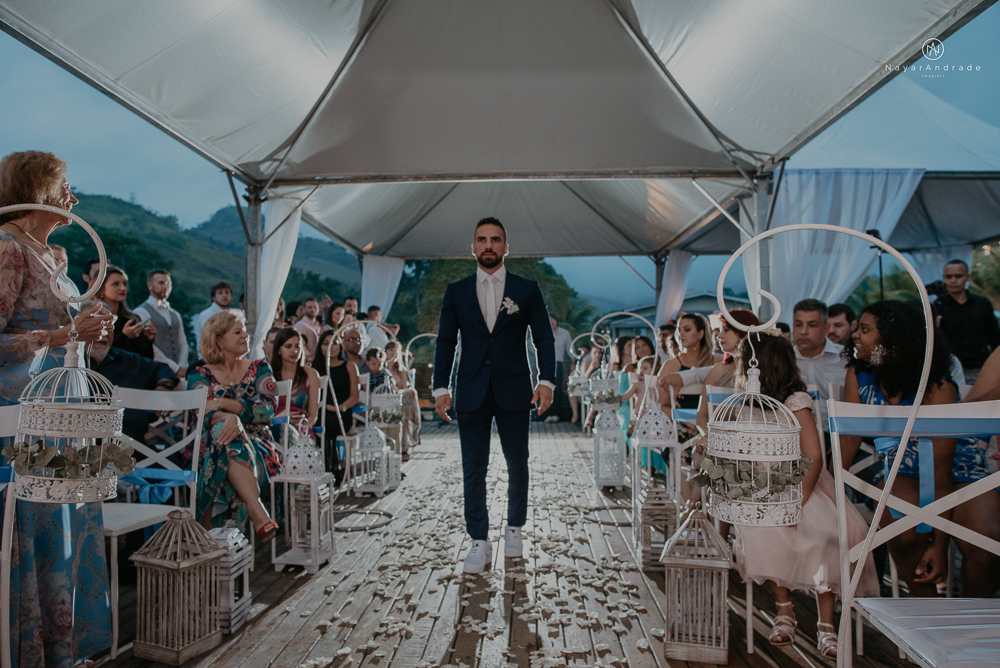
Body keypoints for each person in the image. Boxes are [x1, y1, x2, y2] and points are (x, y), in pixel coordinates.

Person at [0, 150, 116, 666]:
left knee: (67, 515)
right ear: (39, 188)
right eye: (64, 182)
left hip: (62, 409)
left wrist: (92, 327)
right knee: (40, 520)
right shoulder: (6, 248)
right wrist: (67, 330)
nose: (73, 192)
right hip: (22, 412)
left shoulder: (55, 255)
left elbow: (67, 340)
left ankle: (62, 649)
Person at [727, 334, 878, 658]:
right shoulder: (743, 404)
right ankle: (785, 609)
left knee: (825, 535)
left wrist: (797, 501)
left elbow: (813, 456)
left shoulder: (796, 401)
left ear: (761, 366)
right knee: (759, 532)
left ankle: (826, 623)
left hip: (801, 485)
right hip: (764, 490)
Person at [840, 300, 1000, 599]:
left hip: (959, 469)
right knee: (902, 531)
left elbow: (940, 468)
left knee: (985, 543)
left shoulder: (938, 387)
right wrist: (831, 493)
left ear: (892, 339)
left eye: (864, 329)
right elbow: (848, 439)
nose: (855, 336)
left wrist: (938, 545)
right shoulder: (858, 375)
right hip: (901, 467)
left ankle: (973, 622)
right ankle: (928, 612)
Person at [433, 217, 556, 573]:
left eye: (495, 239)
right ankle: (478, 539)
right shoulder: (456, 291)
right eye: (481, 239)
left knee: (518, 463)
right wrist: (441, 387)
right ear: (472, 247)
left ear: (506, 247)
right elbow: (445, 341)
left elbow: (543, 338)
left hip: (515, 388)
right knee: (473, 467)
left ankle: (515, 527)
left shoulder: (527, 288)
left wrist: (546, 380)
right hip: (470, 389)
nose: (488, 245)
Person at [187, 310, 281, 539]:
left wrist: (223, 405)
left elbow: (265, 408)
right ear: (219, 339)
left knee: (223, 441)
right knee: (223, 434)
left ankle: (208, 529)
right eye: (238, 331)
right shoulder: (199, 374)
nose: (245, 336)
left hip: (257, 444)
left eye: (245, 331)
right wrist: (231, 418)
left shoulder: (260, 368)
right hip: (208, 443)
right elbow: (201, 411)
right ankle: (255, 508)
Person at [84, 306, 180, 442]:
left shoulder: (128, 359)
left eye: (109, 327)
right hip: (85, 450)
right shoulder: (70, 363)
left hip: (134, 451)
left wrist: (163, 387)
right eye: (97, 327)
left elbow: (162, 368)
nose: (104, 333)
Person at [936, 259, 1000, 383]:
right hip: (950, 369)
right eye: (949, 276)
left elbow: (995, 338)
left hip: (980, 367)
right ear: (943, 278)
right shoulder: (937, 306)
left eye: (958, 276)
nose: (953, 280)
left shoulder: (982, 304)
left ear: (968, 277)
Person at [791, 299, 845, 434]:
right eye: (798, 325)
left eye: (812, 325)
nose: (803, 332)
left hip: (839, 436)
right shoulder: (783, 359)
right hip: (794, 438)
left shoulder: (845, 359)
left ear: (825, 328)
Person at [313, 331, 359, 474]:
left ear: (341, 346)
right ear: (320, 346)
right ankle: (332, 467)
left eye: (334, 343)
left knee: (329, 420)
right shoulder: (314, 369)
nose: (330, 347)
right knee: (323, 418)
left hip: (342, 413)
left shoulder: (349, 367)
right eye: (326, 343)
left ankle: (330, 467)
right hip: (319, 413)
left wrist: (338, 408)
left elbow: (355, 397)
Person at [133, 269, 189, 377]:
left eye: (168, 283)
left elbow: (183, 343)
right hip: (155, 372)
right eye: (161, 283)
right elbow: (148, 346)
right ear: (149, 285)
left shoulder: (175, 314)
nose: (165, 286)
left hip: (180, 373)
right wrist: (175, 368)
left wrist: (183, 365)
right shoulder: (141, 312)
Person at [271, 327, 321, 446]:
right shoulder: (269, 374)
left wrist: (301, 425)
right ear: (279, 350)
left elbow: (313, 415)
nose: (294, 350)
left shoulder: (311, 374)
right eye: (288, 346)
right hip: (274, 427)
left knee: (294, 440)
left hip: (302, 430)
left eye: (297, 346)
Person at [98, 265, 156, 359]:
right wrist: (125, 337)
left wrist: (148, 340)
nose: (123, 288)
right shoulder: (96, 320)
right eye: (116, 284)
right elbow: (98, 357)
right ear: (101, 289)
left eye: (124, 284)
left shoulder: (132, 319)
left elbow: (146, 360)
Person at [385, 340, 420, 455]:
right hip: (385, 401)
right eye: (390, 350)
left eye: (396, 351)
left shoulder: (401, 370)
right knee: (405, 402)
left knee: (408, 397)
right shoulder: (381, 368)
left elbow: (405, 387)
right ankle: (401, 445)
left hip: (400, 401)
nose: (393, 353)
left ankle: (403, 444)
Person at [193, 281, 235, 351]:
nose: (224, 295)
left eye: (227, 292)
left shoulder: (231, 314)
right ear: (213, 297)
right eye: (220, 293)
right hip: (211, 357)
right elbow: (208, 340)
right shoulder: (208, 314)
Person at [549, 316, 575, 423]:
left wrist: (575, 360)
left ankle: (556, 414)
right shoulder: (542, 332)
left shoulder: (565, 333)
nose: (551, 323)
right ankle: (545, 413)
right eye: (549, 321)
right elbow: (529, 344)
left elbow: (570, 349)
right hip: (543, 362)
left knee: (557, 388)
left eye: (553, 321)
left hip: (558, 363)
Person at [294, 297, 324, 361]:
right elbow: (299, 343)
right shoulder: (300, 325)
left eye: (315, 307)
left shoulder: (318, 325)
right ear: (304, 309)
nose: (313, 310)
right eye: (310, 307)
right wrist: (308, 357)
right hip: (307, 361)